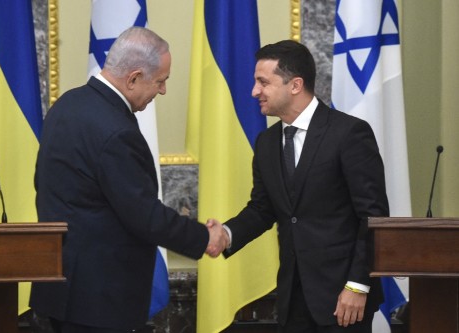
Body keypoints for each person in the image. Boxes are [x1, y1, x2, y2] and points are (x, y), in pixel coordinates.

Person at [30, 27, 228, 333]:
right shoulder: (116, 130)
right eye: (160, 81)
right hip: (100, 302)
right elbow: (144, 215)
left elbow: (43, 184)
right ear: (134, 78)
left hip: (61, 287)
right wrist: (205, 238)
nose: (162, 91)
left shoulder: (66, 106)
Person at [217, 40, 388, 332]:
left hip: (344, 299)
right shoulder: (267, 143)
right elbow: (262, 209)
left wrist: (358, 286)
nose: (254, 92)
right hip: (293, 299)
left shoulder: (349, 134)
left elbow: (373, 218)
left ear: (295, 85)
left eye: (263, 82)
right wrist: (225, 234)